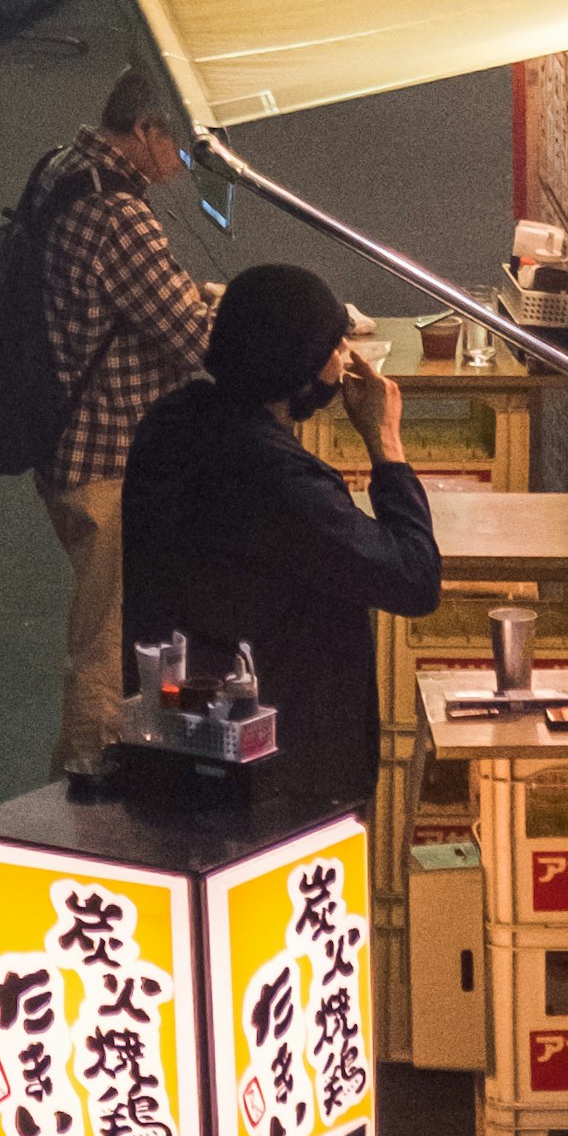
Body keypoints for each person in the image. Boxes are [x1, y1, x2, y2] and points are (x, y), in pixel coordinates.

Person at [119, 260, 443, 828]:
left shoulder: (170, 423)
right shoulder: (277, 480)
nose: (345, 357)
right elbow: (413, 579)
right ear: (302, 370)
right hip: (280, 777)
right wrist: (386, 443)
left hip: (177, 740)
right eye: (334, 346)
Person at [34, 64, 223, 772]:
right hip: (106, 457)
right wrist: (236, 313)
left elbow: (139, 296)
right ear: (145, 131)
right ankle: (85, 786)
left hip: (64, 443)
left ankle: (89, 769)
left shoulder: (66, 167)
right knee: (106, 642)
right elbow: (196, 340)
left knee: (107, 626)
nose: (182, 166)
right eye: (178, 147)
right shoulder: (119, 215)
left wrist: (195, 293)